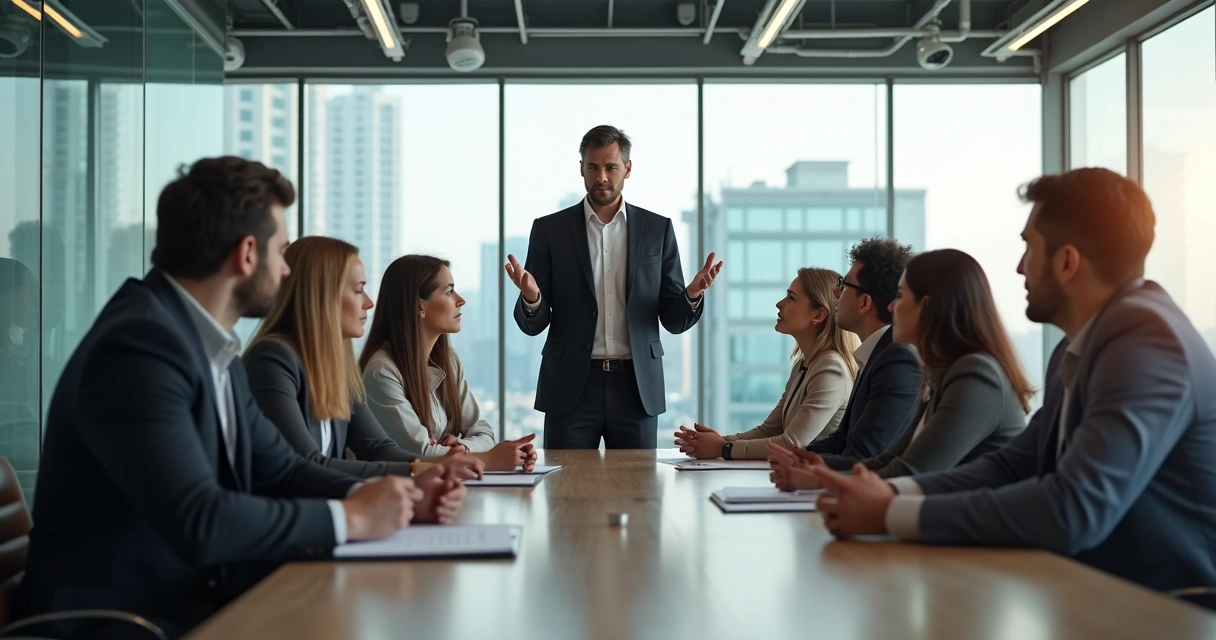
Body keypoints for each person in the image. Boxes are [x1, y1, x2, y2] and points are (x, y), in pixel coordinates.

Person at [16, 157, 465, 637]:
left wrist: (393, 497)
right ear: (247, 254)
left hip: (193, 597)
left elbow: (283, 467)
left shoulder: (211, 347)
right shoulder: (138, 346)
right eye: (280, 251)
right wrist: (351, 516)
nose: (287, 269)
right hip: (125, 619)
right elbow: (201, 518)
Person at [808, 168, 1216, 593]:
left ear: (1066, 261)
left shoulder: (1147, 343)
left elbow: (1073, 509)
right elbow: (1013, 465)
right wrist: (891, 495)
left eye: (1028, 247)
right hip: (1098, 593)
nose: (1020, 267)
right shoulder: (1077, 348)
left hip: (1171, 608)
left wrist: (891, 512)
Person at [505, 125, 723, 449]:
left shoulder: (657, 229)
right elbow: (533, 325)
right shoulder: (549, 230)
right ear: (581, 168)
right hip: (570, 388)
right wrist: (533, 298)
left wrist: (691, 295)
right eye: (593, 167)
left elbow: (673, 320)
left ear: (628, 169)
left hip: (637, 388)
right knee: (567, 493)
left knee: (638, 496)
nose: (601, 177)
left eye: (611, 167)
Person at [770, 249, 1031, 487]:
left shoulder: (976, 374)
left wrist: (818, 478)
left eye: (901, 296)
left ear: (927, 306)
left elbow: (912, 471)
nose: (892, 307)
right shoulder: (943, 373)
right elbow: (890, 461)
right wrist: (816, 468)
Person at [243, 237, 488, 478]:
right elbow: (305, 465)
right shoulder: (273, 360)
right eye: (359, 290)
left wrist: (442, 466)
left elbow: (377, 448)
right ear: (321, 295)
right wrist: (427, 468)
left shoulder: (336, 369)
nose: (369, 303)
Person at [361, 254, 538, 471]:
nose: (460, 300)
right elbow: (420, 453)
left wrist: (462, 447)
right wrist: (489, 458)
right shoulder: (381, 372)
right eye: (449, 291)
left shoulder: (449, 361)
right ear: (420, 307)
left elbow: (483, 432)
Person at [674, 268, 856, 460]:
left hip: (814, 485)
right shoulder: (804, 365)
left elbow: (791, 443)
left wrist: (723, 448)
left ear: (818, 316)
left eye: (791, 298)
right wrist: (713, 441)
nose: (779, 304)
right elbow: (768, 430)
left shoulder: (830, 368)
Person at [805, 238, 921, 460]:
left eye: (844, 285)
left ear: (865, 303)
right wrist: (796, 457)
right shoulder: (876, 354)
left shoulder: (897, 360)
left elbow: (863, 455)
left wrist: (800, 465)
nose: (836, 294)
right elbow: (842, 439)